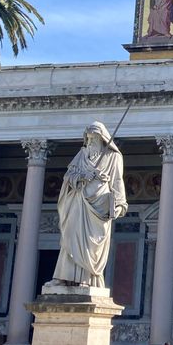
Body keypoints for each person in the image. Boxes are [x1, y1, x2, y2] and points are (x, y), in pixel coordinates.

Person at [46, 122, 127, 288]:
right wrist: (82, 176)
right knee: (69, 239)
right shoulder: (82, 155)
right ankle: (62, 277)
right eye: (88, 139)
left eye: (94, 139)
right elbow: (69, 177)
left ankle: (87, 279)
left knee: (91, 244)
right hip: (78, 203)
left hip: (98, 209)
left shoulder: (113, 157)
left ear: (102, 139)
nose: (90, 143)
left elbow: (118, 182)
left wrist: (119, 204)